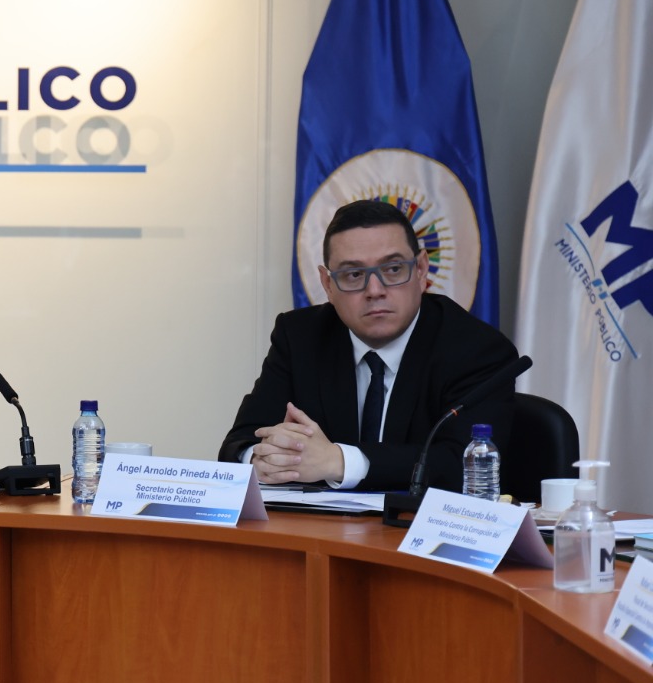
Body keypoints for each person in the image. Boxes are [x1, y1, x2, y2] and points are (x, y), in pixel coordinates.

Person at [219, 200, 518, 492]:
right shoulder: (300, 337)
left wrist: (340, 462)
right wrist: (261, 461)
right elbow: (239, 443)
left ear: (421, 269)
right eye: (353, 275)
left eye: (392, 269)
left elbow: (460, 467)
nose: (375, 291)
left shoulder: (477, 350)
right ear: (327, 284)